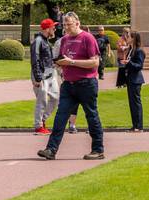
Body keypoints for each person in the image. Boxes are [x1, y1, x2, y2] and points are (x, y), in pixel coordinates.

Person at [37, 12, 105, 161]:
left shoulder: (88, 38)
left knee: (91, 116)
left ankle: (98, 150)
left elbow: (95, 63)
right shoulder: (65, 40)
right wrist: (60, 63)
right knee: (60, 117)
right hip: (69, 84)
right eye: (64, 24)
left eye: (69, 24)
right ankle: (51, 149)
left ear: (77, 23)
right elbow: (63, 59)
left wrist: (72, 62)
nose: (66, 27)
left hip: (86, 83)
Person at [31, 17, 56, 134]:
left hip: (49, 72)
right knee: (42, 101)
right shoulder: (38, 41)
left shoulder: (45, 40)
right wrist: (37, 77)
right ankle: (38, 126)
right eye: (53, 27)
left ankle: (42, 120)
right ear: (48, 28)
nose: (55, 29)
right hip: (41, 73)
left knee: (56, 98)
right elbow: (34, 59)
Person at [118, 32, 146, 131]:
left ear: (133, 39)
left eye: (129, 37)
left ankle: (139, 126)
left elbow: (139, 66)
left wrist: (129, 63)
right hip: (130, 79)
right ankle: (135, 126)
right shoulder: (131, 50)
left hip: (136, 80)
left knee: (136, 103)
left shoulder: (139, 51)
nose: (127, 38)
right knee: (132, 103)